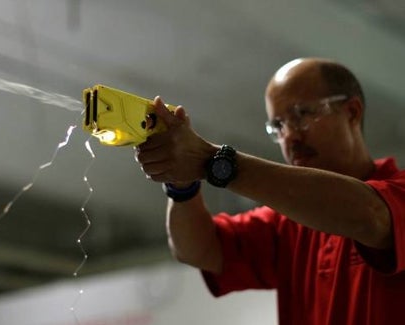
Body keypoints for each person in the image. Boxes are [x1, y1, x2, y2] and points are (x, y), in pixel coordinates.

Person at [135, 57, 405, 325]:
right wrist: (182, 185)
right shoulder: (286, 224)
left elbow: (368, 215)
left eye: (302, 115)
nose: (289, 136)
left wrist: (212, 161)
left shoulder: (395, 196)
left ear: (352, 112)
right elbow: (199, 249)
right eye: (278, 126)